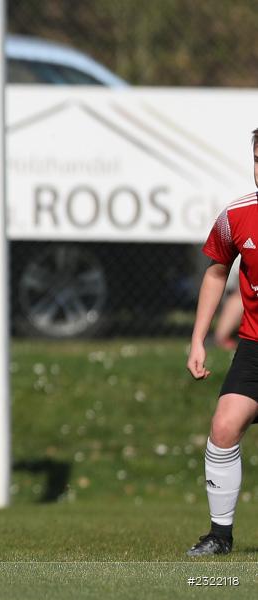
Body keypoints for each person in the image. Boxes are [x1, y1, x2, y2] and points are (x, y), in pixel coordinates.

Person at [185, 127, 258, 557]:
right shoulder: (238, 215)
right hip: (253, 348)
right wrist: (199, 340)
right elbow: (216, 272)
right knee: (224, 426)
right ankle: (220, 536)